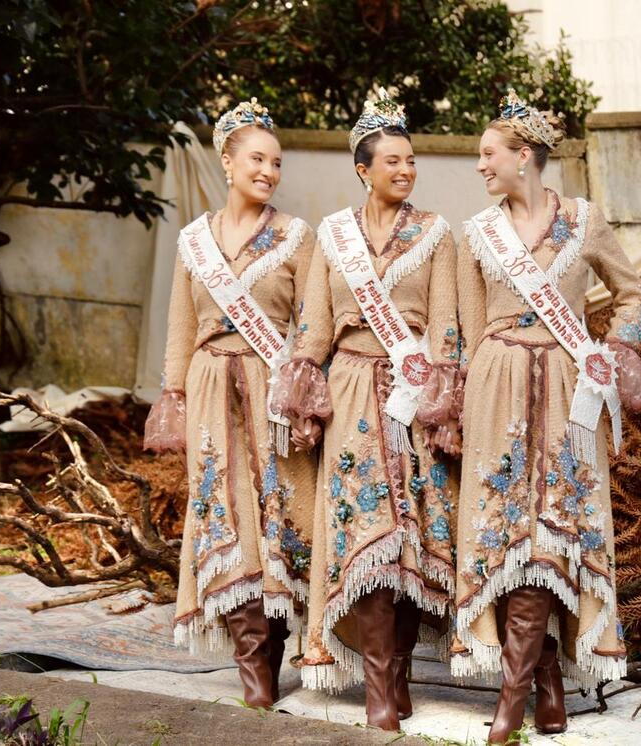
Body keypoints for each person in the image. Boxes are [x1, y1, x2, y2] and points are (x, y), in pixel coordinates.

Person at [452, 91, 641, 744]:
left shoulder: (584, 220)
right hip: (497, 386)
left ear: (525, 157)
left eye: (489, 154)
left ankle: (518, 694)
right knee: (504, 532)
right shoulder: (477, 232)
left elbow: (632, 294)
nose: (481, 166)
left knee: (551, 531)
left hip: (569, 390)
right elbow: (472, 328)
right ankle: (546, 688)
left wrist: (614, 350)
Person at [273, 89, 462, 731]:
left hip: (412, 398)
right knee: (367, 538)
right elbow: (315, 328)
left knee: (412, 543)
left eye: (411, 161)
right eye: (392, 162)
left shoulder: (436, 233)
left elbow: (444, 329)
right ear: (363, 168)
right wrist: (298, 396)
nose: (405, 171)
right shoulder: (333, 235)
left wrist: (443, 403)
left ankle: (400, 676)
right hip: (352, 393)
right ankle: (380, 689)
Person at [143, 99, 318, 708]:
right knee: (226, 515)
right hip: (212, 385)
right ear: (227, 162)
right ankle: (252, 664)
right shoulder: (194, 241)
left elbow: (311, 322)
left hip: (273, 390)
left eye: (276, 162)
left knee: (279, 514)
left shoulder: (298, 237)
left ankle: (278, 642)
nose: (268, 171)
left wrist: (300, 389)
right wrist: (177, 396)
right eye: (257, 159)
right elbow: (179, 327)